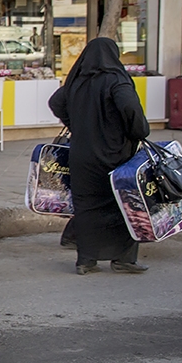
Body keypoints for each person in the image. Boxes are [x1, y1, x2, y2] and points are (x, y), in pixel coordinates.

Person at [49, 37, 151, 275]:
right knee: (123, 204)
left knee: (86, 206)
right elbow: (130, 109)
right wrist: (138, 131)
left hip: (82, 155)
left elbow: (55, 102)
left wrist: (74, 123)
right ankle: (124, 259)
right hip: (114, 154)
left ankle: (86, 260)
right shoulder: (116, 80)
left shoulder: (77, 82)